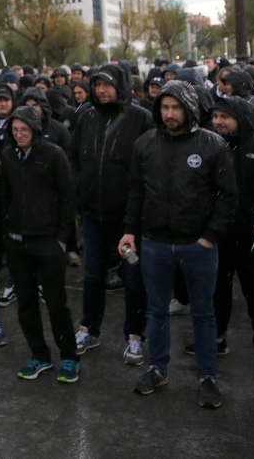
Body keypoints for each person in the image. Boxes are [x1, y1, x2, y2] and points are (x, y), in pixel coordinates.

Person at [121, 80, 237, 409]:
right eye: (165, 107)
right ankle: (158, 368)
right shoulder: (145, 144)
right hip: (155, 242)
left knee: (202, 312)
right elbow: (135, 194)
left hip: (197, 245)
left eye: (176, 108)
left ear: (189, 109)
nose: (170, 114)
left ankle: (207, 376)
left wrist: (209, 237)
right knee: (156, 310)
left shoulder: (212, 144)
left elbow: (228, 196)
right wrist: (130, 231)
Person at [194, 97, 254, 379]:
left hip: (251, 240)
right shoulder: (207, 146)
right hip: (217, 237)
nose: (218, 121)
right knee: (216, 293)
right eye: (216, 116)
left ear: (241, 119)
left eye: (225, 117)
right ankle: (217, 339)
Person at [70, 64, 153, 366]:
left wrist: (136, 212)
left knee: (133, 277)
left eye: (107, 84)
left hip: (128, 218)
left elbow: (148, 167)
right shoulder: (85, 116)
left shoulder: (140, 118)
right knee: (92, 275)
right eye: (97, 84)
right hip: (93, 214)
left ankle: (135, 336)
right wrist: (81, 187)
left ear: (120, 86)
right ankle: (89, 328)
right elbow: (74, 156)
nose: (102, 90)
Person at [0, 106, 80, 384]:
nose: (19, 134)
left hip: (48, 242)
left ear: (35, 130)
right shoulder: (8, 155)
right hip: (18, 243)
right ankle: (40, 356)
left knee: (57, 304)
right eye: (15, 129)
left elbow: (68, 196)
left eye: (24, 129)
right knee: (27, 305)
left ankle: (69, 357)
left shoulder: (53, 154)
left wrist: (62, 238)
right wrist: (7, 233)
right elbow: (4, 195)